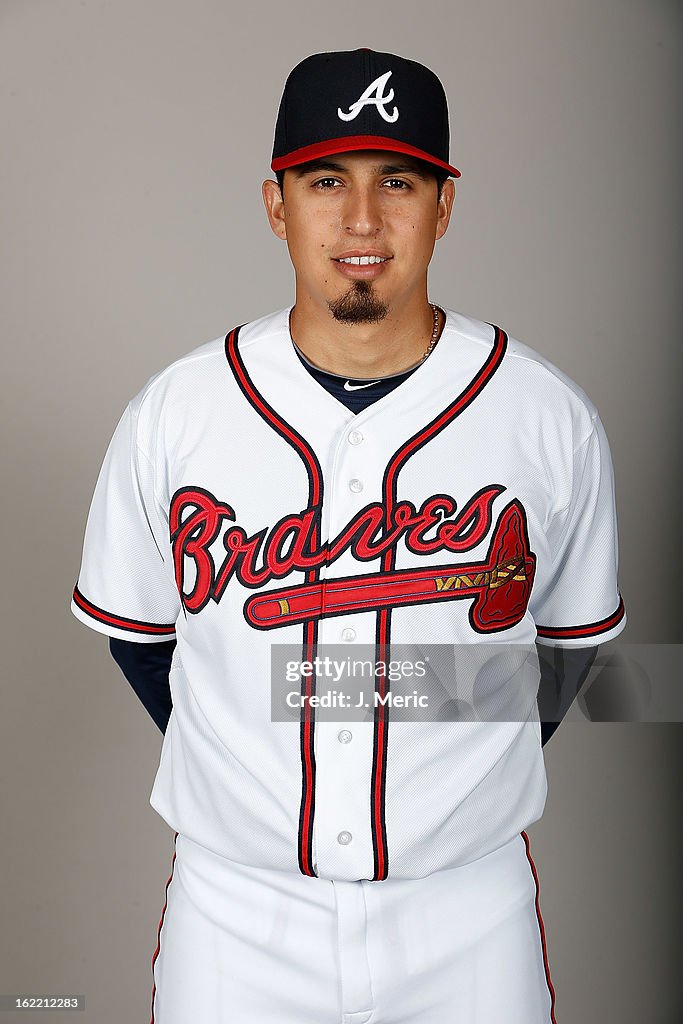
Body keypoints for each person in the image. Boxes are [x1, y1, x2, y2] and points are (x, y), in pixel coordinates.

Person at [71, 48, 626, 1024]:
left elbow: (572, 656)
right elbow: (139, 640)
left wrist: (442, 757)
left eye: (396, 181)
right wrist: (248, 749)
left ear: (443, 205)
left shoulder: (544, 416)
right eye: (325, 180)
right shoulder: (176, 412)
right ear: (275, 203)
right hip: (235, 913)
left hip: (467, 914)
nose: (361, 220)